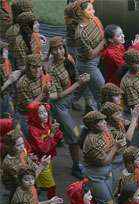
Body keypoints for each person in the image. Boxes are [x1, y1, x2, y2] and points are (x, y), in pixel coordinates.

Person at [46, 36, 90, 178]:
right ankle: (76, 166)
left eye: (60, 48)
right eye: (55, 49)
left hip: (71, 99)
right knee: (74, 136)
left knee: (74, 131)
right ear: (51, 51)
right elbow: (55, 96)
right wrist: (78, 84)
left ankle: (60, 135)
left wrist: (81, 81)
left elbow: (75, 77)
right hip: (60, 105)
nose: (59, 52)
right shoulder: (51, 69)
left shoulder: (69, 58)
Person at [24, 101, 70, 204]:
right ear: (34, 115)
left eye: (45, 112)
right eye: (40, 113)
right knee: (51, 186)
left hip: (46, 160)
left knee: (38, 185)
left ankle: (30, 203)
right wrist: (53, 134)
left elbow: (58, 138)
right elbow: (43, 148)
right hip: (39, 162)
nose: (44, 115)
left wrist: (56, 131)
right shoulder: (33, 129)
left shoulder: (46, 124)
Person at [81, 110, 119, 204]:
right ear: (94, 125)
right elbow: (104, 160)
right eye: (101, 121)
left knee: (110, 201)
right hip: (95, 175)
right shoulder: (91, 141)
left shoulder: (105, 131)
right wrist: (116, 148)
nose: (105, 123)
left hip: (106, 172)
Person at [74, 0, 106, 107]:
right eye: (89, 9)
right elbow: (90, 55)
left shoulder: (95, 20)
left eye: (93, 8)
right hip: (88, 64)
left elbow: (102, 34)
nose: (93, 11)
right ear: (81, 12)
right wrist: (104, 42)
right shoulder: (80, 34)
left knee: (81, 89)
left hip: (97, 59)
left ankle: (68, 104)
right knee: (101, 89)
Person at [14, 53, 48, 135]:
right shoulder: (22, 83)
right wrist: (43, 94)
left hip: (39, 112)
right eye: (33, 67)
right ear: (28, 68)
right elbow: (29, 107)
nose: (37, 70)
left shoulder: (40, 75)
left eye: (39, 66)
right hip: (25, 117)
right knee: (29, 138)